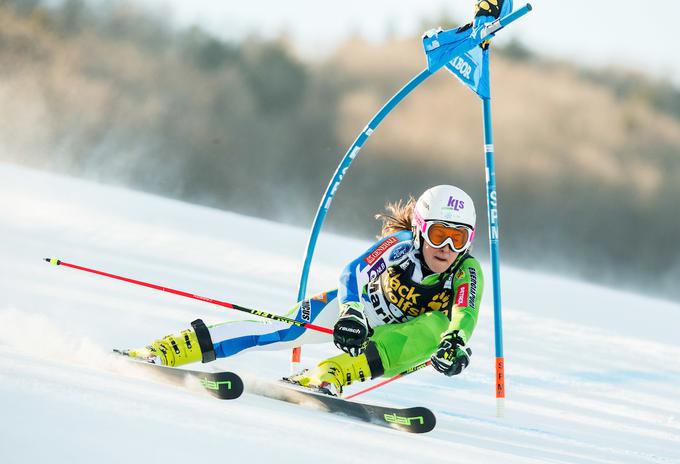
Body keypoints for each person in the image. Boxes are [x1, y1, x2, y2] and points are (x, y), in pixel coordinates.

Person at [125, 185, 484, 394]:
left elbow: (463, 314)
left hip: (397, 338)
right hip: (360, 311)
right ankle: (168, 349)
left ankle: (330, 374)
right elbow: (353, 272)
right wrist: (352, 312)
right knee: (282, 329)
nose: (447, 249)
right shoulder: (400, 245)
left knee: (435, 330)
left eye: (458, 238)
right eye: (439, 235)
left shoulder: (467, 272)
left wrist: (455, 344)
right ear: (421, 229)